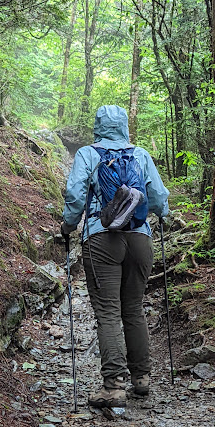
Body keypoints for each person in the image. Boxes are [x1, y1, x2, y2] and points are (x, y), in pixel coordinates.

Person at [61, 105, 170, 407]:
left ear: (97, 126)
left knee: (108, 312)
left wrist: (68, 226)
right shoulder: (141, 155)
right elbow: (159, 198)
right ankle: (142, 379)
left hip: (102, 238)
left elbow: (75, 196)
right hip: (140, 238)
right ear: (124, 126)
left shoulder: (88, 154)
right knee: (133, 310)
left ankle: (113, 386)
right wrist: (164, 214)